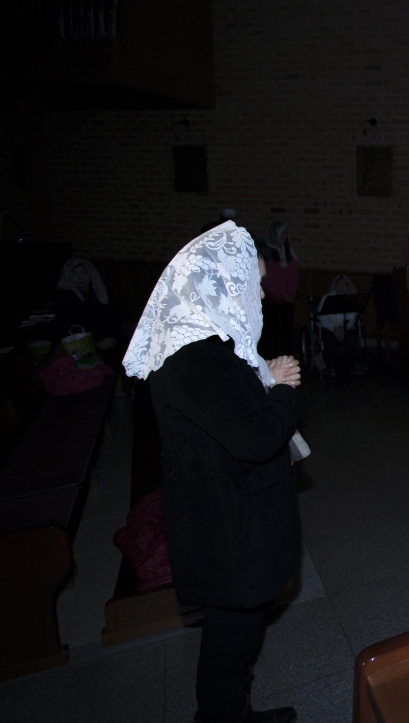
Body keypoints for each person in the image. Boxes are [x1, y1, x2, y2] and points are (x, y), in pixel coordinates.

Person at [122, 222, 302, 723]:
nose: (260, 293)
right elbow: (255, 437)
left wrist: (262, 378)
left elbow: (226, 413)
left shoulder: (202, 348)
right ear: (222, 281)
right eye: (253, 281)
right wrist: (285, 394)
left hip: (225, 518)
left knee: (236, 637)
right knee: (229, 642)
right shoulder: (196, 358)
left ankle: (236, 712)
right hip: (226, 528)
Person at [52, 258, 122, 361]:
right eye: (74, 273)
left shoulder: (99, 292)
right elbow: (66, 325)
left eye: (84, 273)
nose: (80, 278)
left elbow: (113, 316)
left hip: (108, 339)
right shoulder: (63, 297)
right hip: (82, 344)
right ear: (67, 275)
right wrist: (97, 341)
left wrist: (112, 336)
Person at [259, 221, 300, 359]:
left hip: (287, 300)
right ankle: (270, 360)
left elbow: (294, 276)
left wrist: (290, 294)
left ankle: (287, 358)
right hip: (271, 301)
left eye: (286, 233)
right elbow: (268, 279)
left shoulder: (288, 253)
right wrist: (281, 295)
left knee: (287, 331)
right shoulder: (268, 254)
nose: (285, 236)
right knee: (272, 332)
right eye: (282, 233)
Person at [316, 274, 366, 380]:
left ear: (348, 287)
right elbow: (322, 318)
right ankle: (330, 368)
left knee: (352, 339)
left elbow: (352, 318)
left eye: (344, 285)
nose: (342, 287)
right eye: (339, 285)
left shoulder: (352, 299)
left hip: (346, 327)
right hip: (329, 328)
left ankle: (354, 367)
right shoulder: (327, 298)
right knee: (330, 342)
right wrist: (334, 329)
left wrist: (344, 329)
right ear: (335, 286)